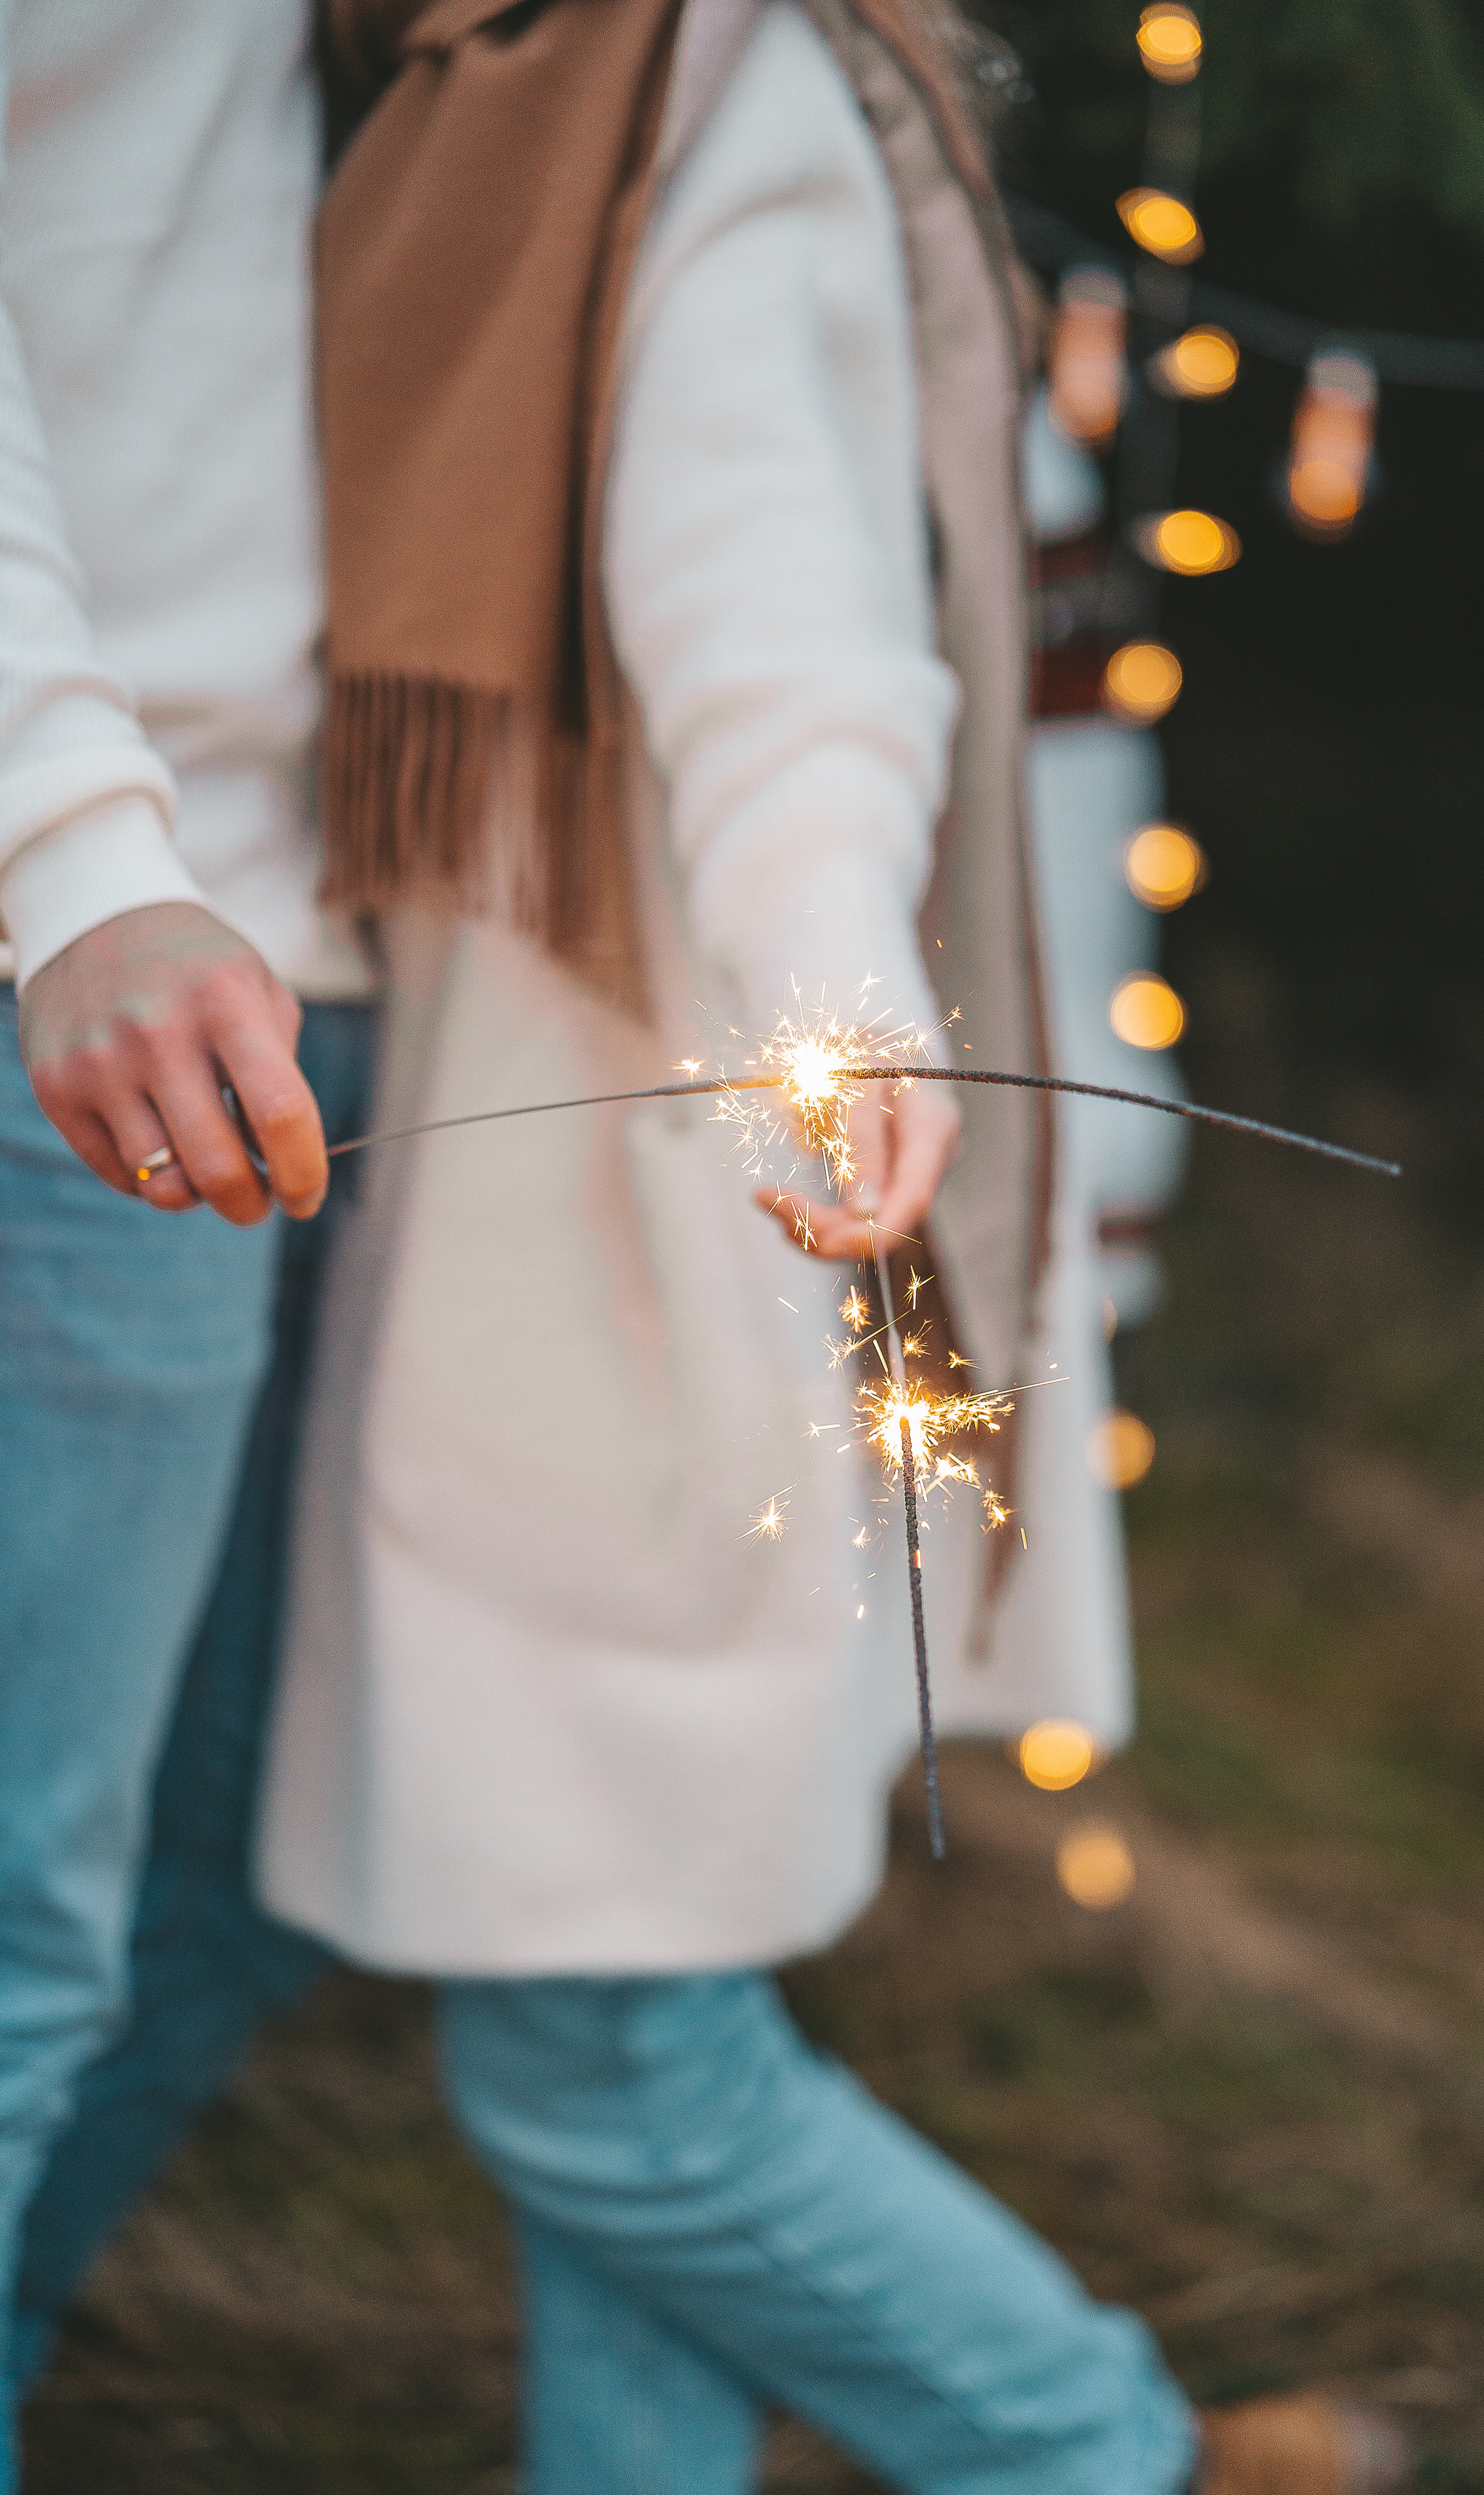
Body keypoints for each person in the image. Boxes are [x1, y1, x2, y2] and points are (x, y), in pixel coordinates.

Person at [16, 1, 1408, 2488]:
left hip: (647, 1244)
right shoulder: (435, 90)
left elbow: (789, 636)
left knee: (608, 2043)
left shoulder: (676, 96)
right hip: (450, 1177)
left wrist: (841, 993)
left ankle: (1098, 2453)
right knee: (547, 1998)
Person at [0, 4, 377, 2484]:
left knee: (259, 1848)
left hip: (314, 962)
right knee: (29, 1944)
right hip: (101, 970)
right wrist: (71, 850)